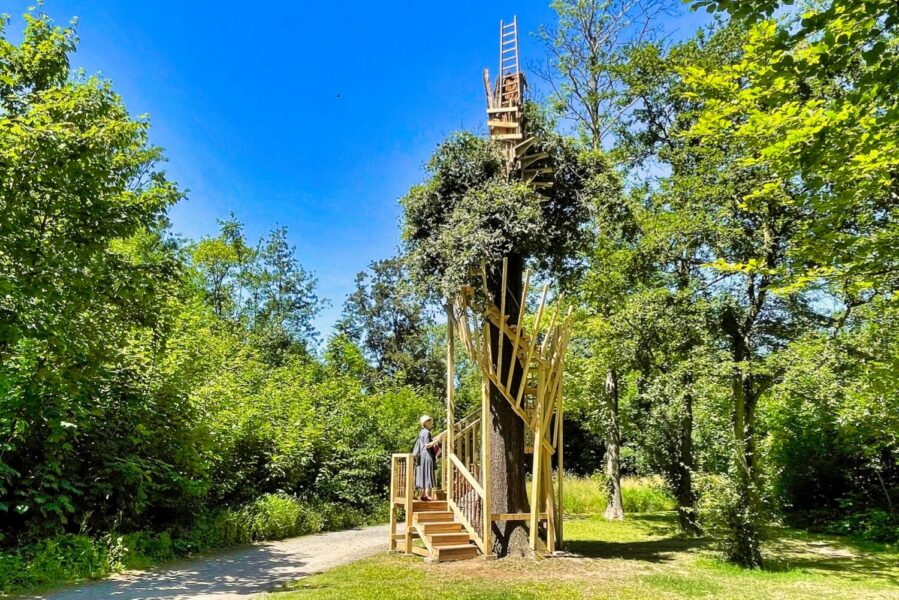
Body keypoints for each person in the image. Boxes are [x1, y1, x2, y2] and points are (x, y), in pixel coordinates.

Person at [413, 415, 439, 501]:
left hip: (422, 455)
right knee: (428, 474)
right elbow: (427, 445)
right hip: (427, 455)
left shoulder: (421, 432)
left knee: (423, 473)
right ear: (424, 423)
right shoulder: (427, 432)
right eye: (428, 421)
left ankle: (423, 494)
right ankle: (427, 494)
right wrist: (436, 440)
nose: (430, 423)